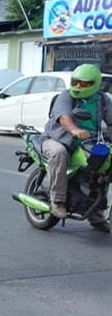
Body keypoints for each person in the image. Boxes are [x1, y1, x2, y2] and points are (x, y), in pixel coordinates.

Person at [41, 64, 112, 231]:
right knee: (59, 153)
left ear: (95, 84)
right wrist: (75, 129)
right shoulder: (65, 96)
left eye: (84, 83)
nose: (78, 86)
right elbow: (64, 117)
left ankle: (96, 211)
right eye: (76, 82)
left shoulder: (102, 100)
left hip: (89, 141)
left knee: (103, 166)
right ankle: (57, 200)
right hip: (57, 139)